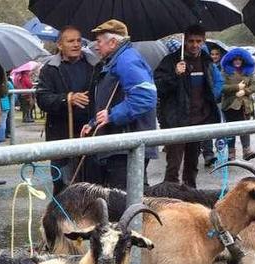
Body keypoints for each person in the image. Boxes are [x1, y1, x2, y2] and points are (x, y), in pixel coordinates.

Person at [81, 20, 157, 189]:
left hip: (127, 145)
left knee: (125, 198)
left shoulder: (127, 60)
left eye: (99, 41)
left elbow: (145, 96)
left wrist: (113, 115)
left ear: (113, 42)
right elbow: (111, 101)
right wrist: (93, 124)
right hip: (122, 143)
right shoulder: (117, 60)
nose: (96, 46)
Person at [154, 24, 222, 186]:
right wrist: (175, 75)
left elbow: (214, 86)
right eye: (191, 41)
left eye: (198, 41)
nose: (195, 45)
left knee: (192, 166)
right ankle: (170, 198)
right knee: (173, 166)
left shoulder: (206, 61)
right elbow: (158, 87)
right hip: (176, 121)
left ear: (203, 41)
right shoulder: (170, 61)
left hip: (198, 120)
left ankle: (190, 197)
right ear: (185, 41)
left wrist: (212, 105)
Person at [36, 25, 100, 194]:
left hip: (89, 133)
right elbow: (42, 99)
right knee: (62, 186)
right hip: (61, 134)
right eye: (70, 41)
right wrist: (67, 98)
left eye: (79, 40)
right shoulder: (50, 68)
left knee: (90, 186)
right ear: (60, 45)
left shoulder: (94, 65)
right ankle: (61, 218)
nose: (76, 44)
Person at [219, 48, 255, 161]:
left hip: (245, 105)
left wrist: (245, 91)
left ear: (244, 60)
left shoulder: (249, 72)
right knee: (231, 130)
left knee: (245, 128)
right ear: (231, 60)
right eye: (235, 59)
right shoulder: (225, 71)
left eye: (240, 59)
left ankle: (247, 150)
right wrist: (236, 87)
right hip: (230, 105)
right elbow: (221, 87)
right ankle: (231, 152)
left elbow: (254, 86)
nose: (237, 61)